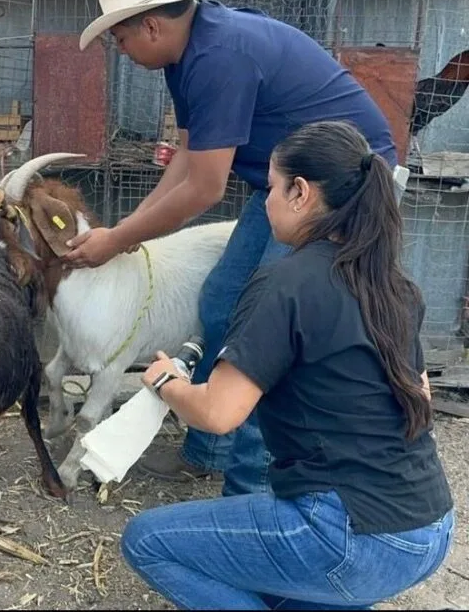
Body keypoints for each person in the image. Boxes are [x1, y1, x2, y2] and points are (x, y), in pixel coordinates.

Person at [70, 0, 402, 496]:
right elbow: (187, 159)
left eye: (121, 38)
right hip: (284, 184)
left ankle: (249, 485)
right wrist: (126, 230)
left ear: (152, 25)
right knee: (224, 298)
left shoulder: (218, 56)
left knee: (265, 323)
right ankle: (210, 450)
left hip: (343, 190)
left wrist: (117, 241)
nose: (121, 51)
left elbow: (203, 189)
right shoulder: (187, 53)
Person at [121, 120, 455, 610]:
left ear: (300, 192)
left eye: (271, 188)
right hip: (428, 530)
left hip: (349, 535)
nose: (266, 201)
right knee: (280, 590)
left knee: (146, 540)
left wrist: (168, 382)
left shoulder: (284, 283)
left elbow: (218, 414)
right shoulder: (394, 284)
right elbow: (419, 397)